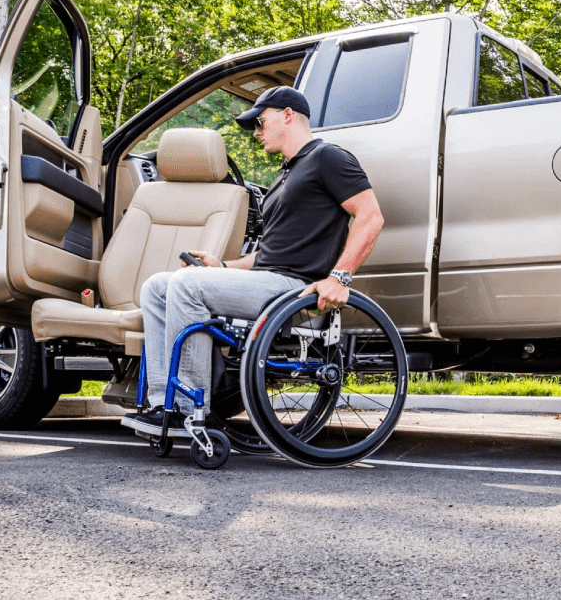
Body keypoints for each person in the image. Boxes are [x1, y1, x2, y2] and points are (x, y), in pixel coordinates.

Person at [122, 85, 384, 434]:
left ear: (287, 115)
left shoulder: (328, 158)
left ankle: (189, 409)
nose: (257, 132)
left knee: (186, 285)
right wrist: (223, 266)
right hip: (268, 279)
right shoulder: (285, 175)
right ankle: (162, 404)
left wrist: (340, 278)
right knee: (157, 286)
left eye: (260, 122)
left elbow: (370, 216)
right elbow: (269, 254)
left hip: (293, 289)